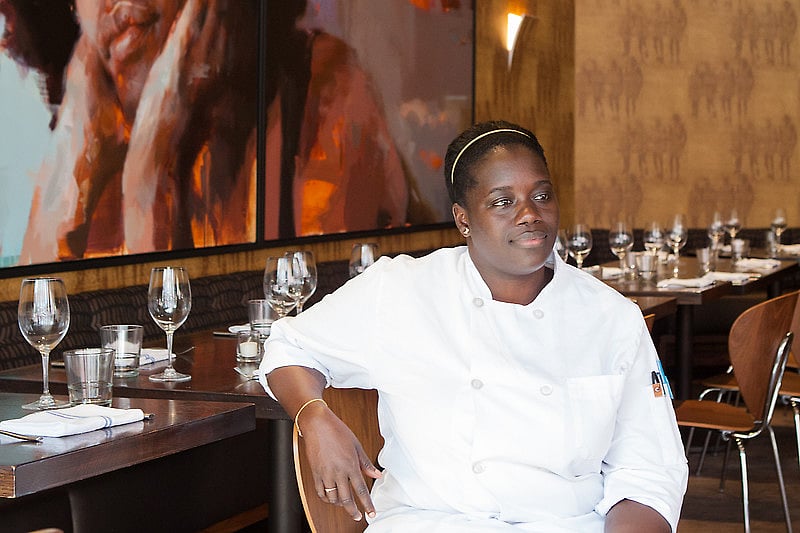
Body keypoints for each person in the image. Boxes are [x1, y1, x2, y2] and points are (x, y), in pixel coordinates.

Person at [259, 120, 688, 532]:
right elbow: (289, 347)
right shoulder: (400, 289)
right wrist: (314, 416)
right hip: (425, 524)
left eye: (541, 196)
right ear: (463, 219)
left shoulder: (612, 317)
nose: (530, 214)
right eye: (503, 201)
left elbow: (648, 472)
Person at [11, 0, 407, 263]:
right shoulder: (92, 122)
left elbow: (312, 300)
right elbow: (38, 316)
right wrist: (73, 168)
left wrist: (152, 169)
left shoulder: (322, 84)